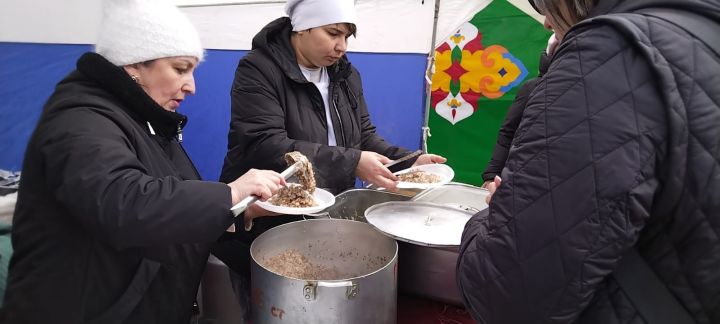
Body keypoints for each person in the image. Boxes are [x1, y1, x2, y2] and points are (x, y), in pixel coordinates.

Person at [0, 0, 286, 323]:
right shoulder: (79, 120)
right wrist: (229, 193)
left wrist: (238, 208)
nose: (192, 86)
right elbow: (125, 203)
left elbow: (171, 202)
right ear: (133, 65)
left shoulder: (148, 120)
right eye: (181, 68)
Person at [457, 0, 720, 323]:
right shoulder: (702, 32)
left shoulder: (610, 53)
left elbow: (504, 294)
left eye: (541, 3)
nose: (546, 23)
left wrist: (489, 217)